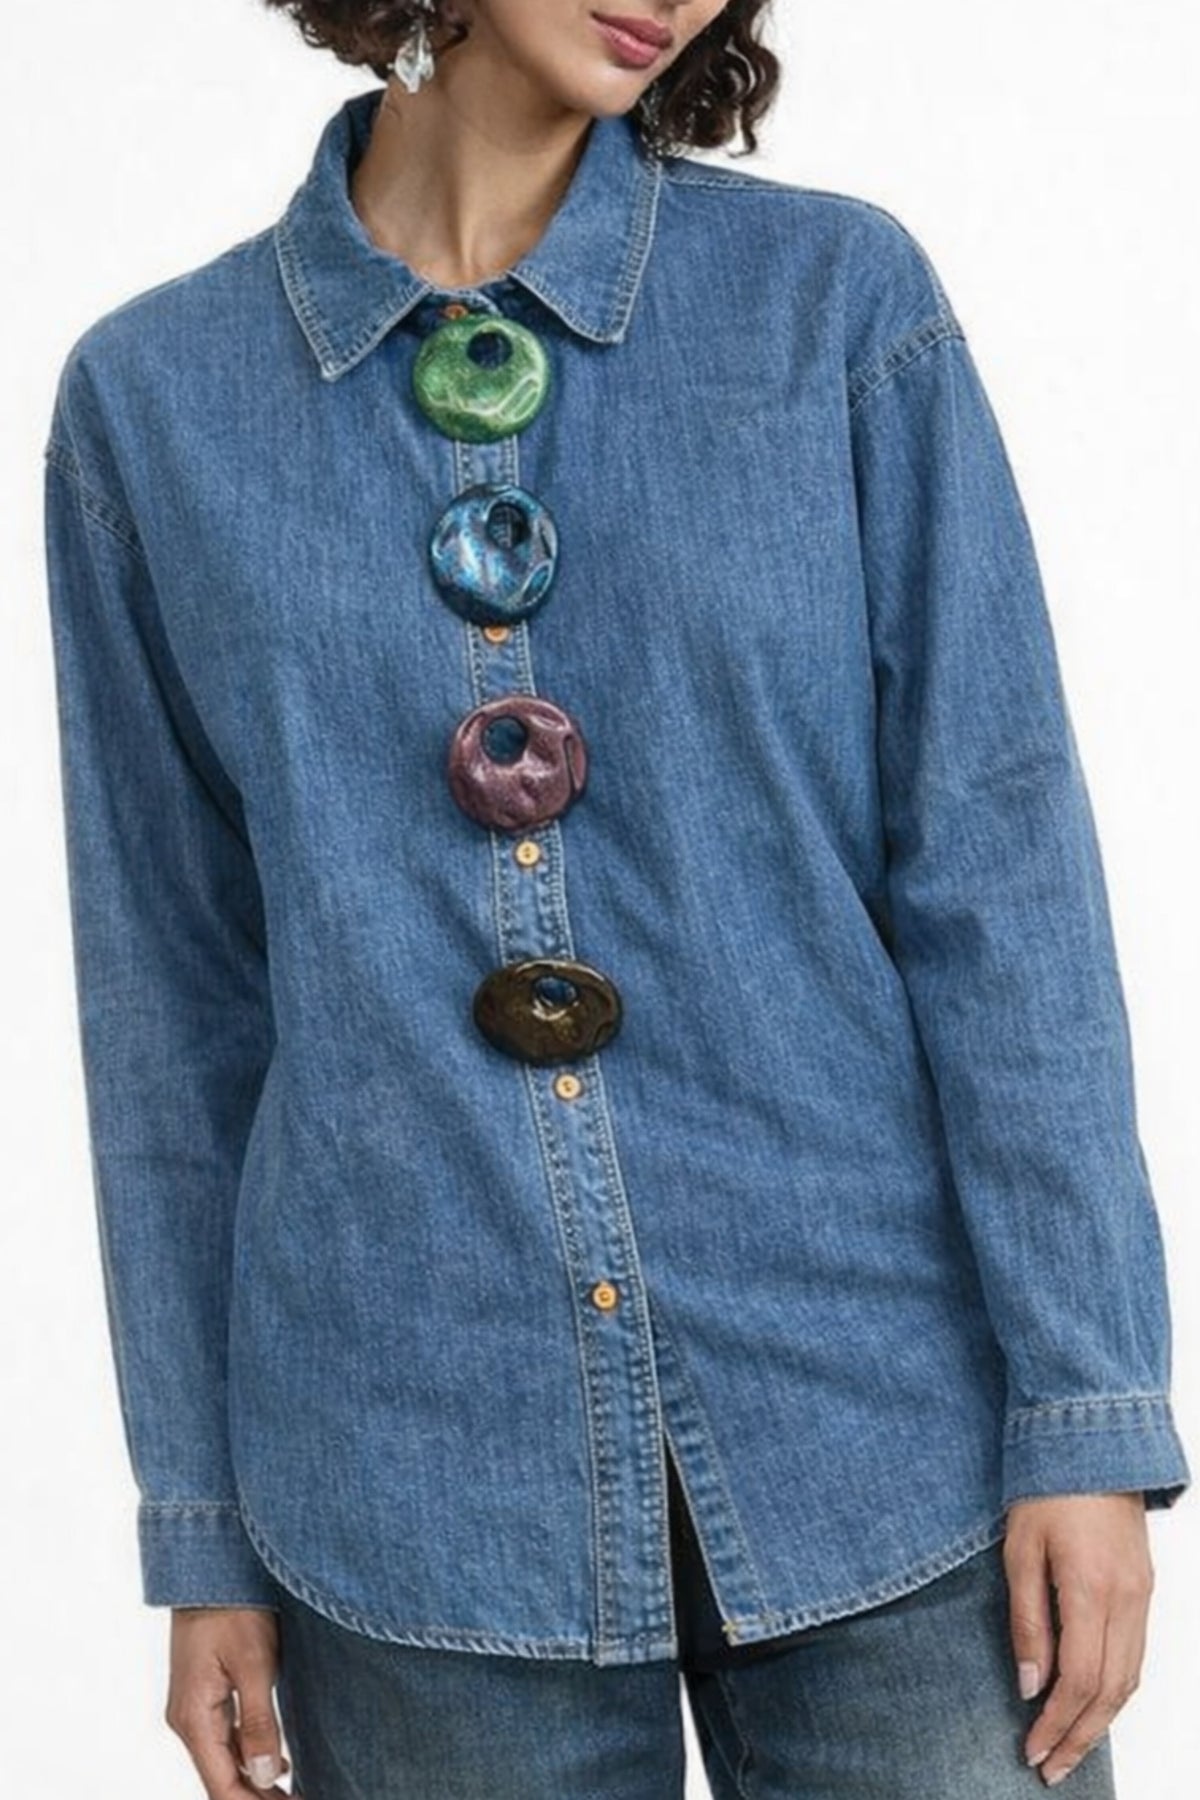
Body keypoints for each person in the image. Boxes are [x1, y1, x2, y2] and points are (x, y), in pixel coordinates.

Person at [40, 1, 1191, 1795]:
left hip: (878, 1421)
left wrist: (1088, 1414)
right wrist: (201, 1530)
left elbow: (1001, 873)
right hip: (406, 1483)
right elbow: (172, 1011)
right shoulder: (154, 403)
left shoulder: (833, 306)